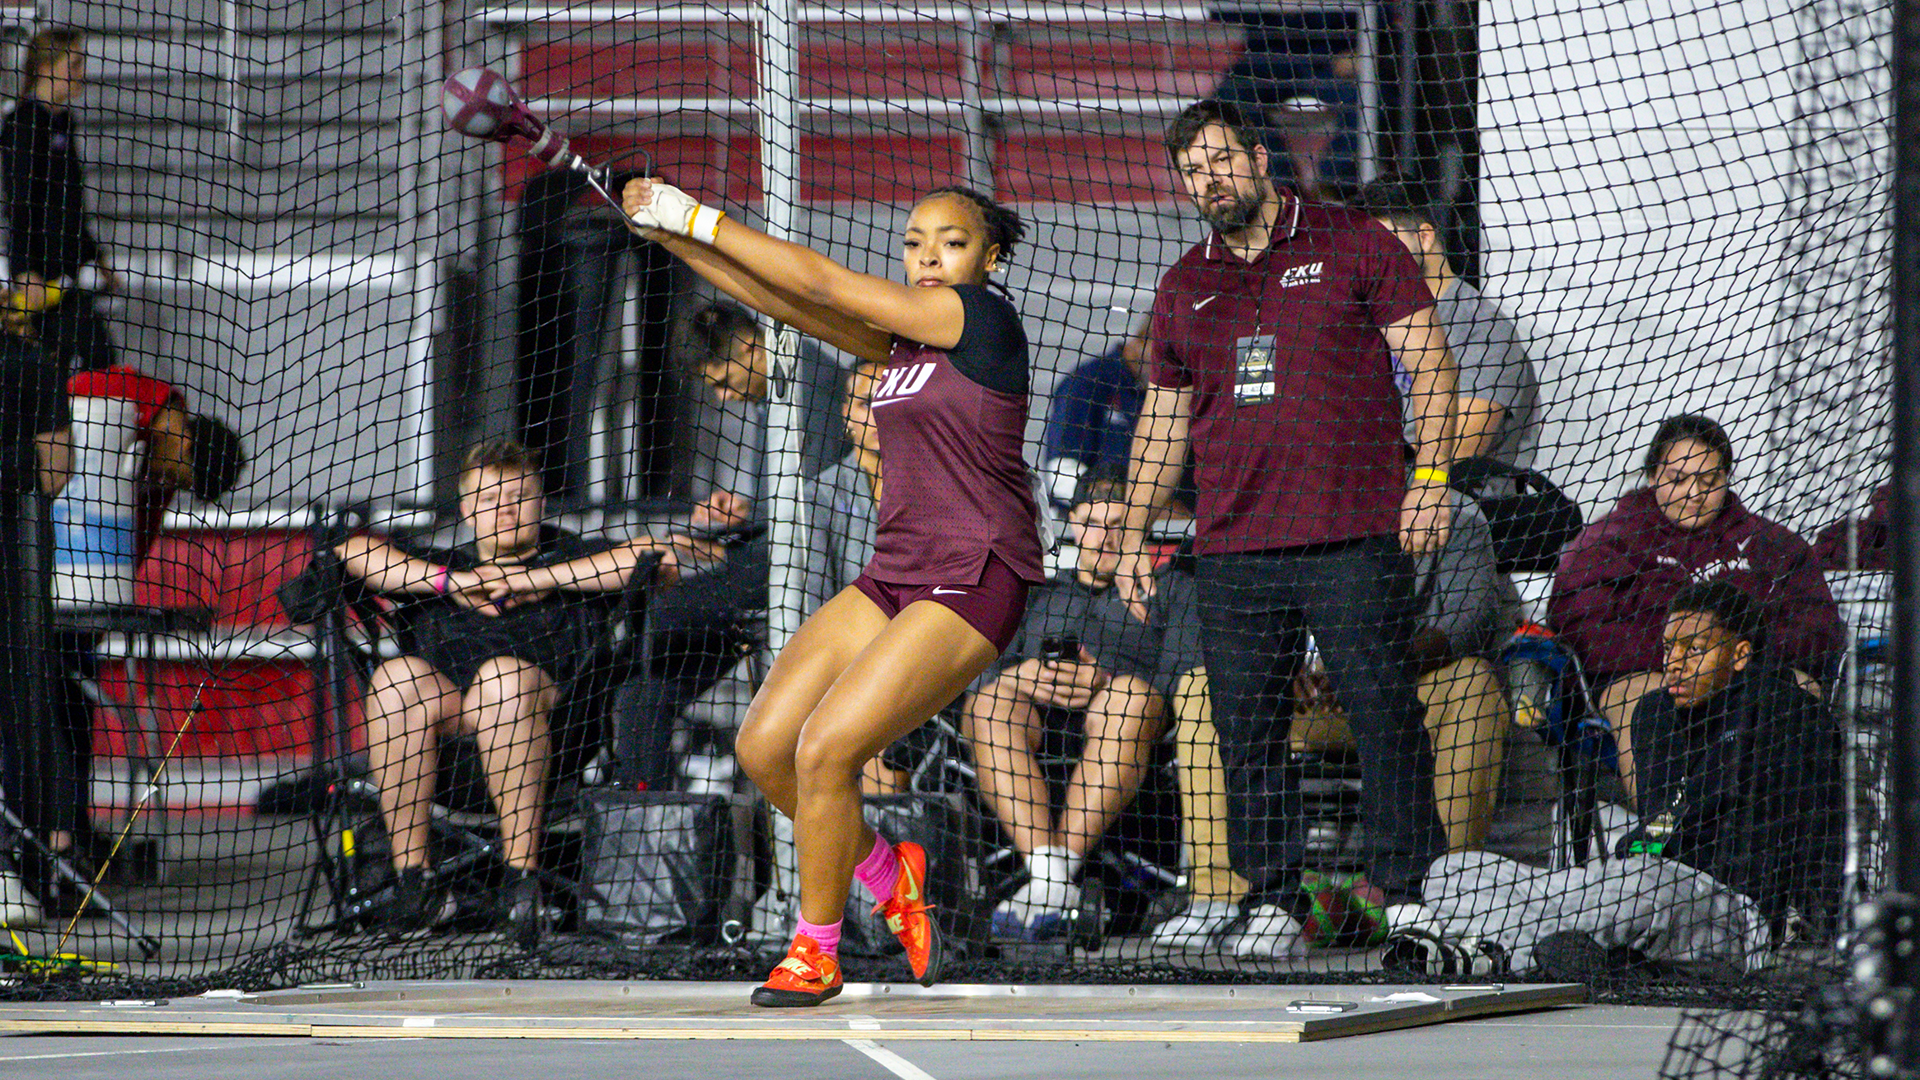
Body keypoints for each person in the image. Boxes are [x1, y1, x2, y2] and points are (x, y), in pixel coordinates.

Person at [621, 175, 1045, 1006]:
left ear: (990, 259)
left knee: (824, 752)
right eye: (915, 242)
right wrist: (672, 242)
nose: (929, 256)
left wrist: (693, 213)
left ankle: (815, 952)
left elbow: (818, 279)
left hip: (976, 573)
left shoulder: (979, 319)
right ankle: (889, 872)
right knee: (764, 749)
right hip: (896, 570)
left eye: (951, 242)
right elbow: (779, 300)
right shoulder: (902, 345)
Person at [1115, 98, 1458, 958]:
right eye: (1193, 171)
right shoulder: (1184, 285)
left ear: (1261, 158)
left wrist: (1430, 480)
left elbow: (1431, 366)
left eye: (1221, 160)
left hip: (1354, 534)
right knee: (1246, 731)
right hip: (1234, 550)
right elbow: (1162, 424)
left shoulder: (1354, 241)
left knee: (1384, 713)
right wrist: (1130, 535)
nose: (1209, 180)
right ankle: (1272, 898)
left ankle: (1410, 893)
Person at [328, 439, 682, 941]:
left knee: (501, 680)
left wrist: (536, 580)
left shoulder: (572, 555)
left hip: (558, 733)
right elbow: (350, 553)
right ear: (467, 509)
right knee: (394, 678)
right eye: (489, 498)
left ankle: (522, 880)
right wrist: (451, 583)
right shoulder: (444, 561)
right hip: (446, 750)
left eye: (518, 496)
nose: (505, 509)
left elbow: (658, 559)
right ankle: (414, 881)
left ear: (541, 502)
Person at [1409, 581, 1841, 973]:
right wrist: (1635, 847)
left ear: (1741, 654)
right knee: (1452, 871)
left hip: (1735, 911)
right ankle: (1524, 952)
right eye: (1669, 648)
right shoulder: (1655, 714)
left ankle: (1493, 957)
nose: (1674, 664)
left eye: (1694, 650)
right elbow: (1664, 820)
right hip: (1651, 877)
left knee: (1634, 887)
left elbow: (1726, 819)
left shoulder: (1783, 709)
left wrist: (1643, 846)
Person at [1547, 413, 1842, 801]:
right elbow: (1582, 628)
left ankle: (1786, 828)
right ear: (1652, 476)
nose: (1693, 494)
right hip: (1646, 679)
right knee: (1646, 699)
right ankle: (1664, 828)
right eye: (1678, 479)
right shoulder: (1605, 542)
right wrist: (1689, 658)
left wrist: (1733, 660)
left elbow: (1818, 625)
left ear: (1727, 478)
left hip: (1751, 675)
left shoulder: (1772, 544)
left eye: (1709, 481)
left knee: (1801, 687)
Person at [960, 472, 1172, 937]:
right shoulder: (1037, 592)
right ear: (1073, 524)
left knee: (1130, 698)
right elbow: (978, 668)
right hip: (1033, 721)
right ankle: (1052, 880)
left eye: (1118, 524)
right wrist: (1019, 675)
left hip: (1121, 726)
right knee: (988, 703)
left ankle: (1050, 881)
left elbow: (1177, 675)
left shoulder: (1161, 592)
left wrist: (1104, 680)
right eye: (1093, 523)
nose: (1105, 537)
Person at [1287, 489, 1515, 852]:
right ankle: (1226, 885)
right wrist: (1279, 664)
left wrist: (1375, 666)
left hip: (1404, 693)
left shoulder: (1453, 513)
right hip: (1310, 702)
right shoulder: (1279, 505)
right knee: (1203, 689)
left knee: (1473, 684)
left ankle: (1448, 873)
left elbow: (1468, 623)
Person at [1354, 179, 1540, 470]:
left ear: (1425, 237)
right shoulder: (1364, 321)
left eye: (1380, 246)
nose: (1369, 262)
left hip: (1452, 494)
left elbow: (1459, 449)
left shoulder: (1482, 327)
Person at [0, 27, 119, 373]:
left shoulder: (63, 121)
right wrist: (26, 271)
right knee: (94, 362)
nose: (82, 73)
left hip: (66, 274)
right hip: (42, 279)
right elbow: (20, 204)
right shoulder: (24, 124)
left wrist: (96, 255)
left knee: (88, 365)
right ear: (46, 68)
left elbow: (68, 203)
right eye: (75, 64)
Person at [0, 332, 69, 925]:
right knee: (21, 706)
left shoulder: (27, 362)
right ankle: (21, 867)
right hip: (15, 560)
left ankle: (19, 867)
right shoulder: (28, 360)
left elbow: (53, 473)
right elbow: (52, 470)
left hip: (14, 559)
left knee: (22, 706)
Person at [1039, 321, 1149, 506]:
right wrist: (1122, 503)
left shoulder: (1172, 391)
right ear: (1142, 341)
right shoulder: (1086, 383)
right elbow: (1061, 472)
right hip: (1084, 519)